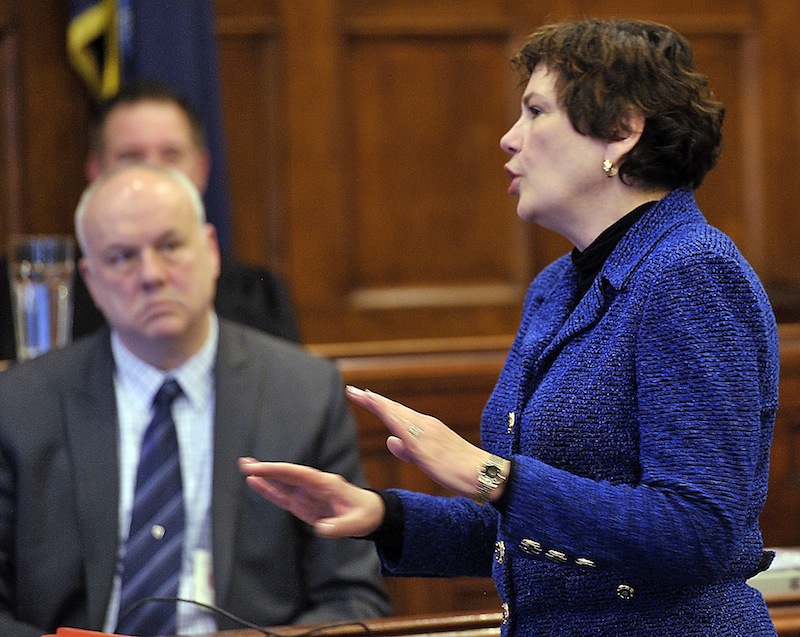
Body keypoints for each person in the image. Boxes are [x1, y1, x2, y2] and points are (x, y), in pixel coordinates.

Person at [239, 18, 780, 637]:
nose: (508, 138)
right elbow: (540, 535)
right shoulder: (556, 287)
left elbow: (696, 532)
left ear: (623, 130)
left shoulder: (693, 274)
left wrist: (485, 474)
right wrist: (381, 515)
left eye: (535, 111)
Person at [0, 163, 390, 636]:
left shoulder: (304, 392)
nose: (151, 275)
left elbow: (352, 598)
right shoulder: (19, 405)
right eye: (122, 257)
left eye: (170, 246)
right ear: (92, 280)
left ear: (210, 251)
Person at [0, 80, 299, 361]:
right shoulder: (39, 296)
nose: (153, 173)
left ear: (202, 169)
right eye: (132, 156)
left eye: (170, 155)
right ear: (95, 173)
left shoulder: (260, 296)